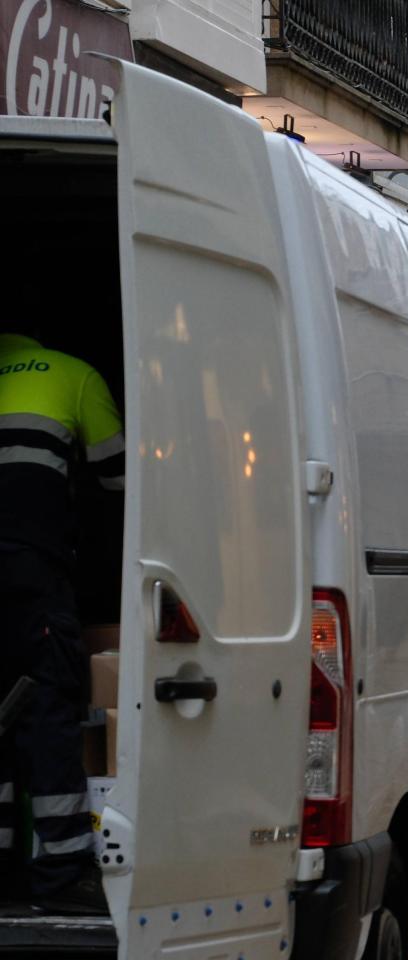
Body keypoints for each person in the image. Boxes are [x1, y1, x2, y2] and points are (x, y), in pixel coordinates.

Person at [0, 329, 124, 915]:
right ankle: (60, 875)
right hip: (31, 577)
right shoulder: (72, 373)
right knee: (46, 713)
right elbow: (123, 483)